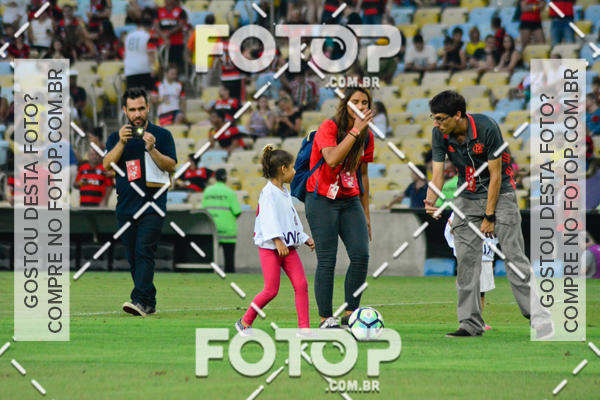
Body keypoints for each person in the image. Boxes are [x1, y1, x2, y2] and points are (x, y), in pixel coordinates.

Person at [424, 90, 552, 338]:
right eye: (434, 118)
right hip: (466, 197)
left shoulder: (486, 128)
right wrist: (431, 200)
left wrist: (489, 217)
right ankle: (470, 324)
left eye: (440, 118)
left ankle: (540, 319)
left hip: (501, 195)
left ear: (458, 115)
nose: (436, 124)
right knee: (466, 261)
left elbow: (495, 176)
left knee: (514, 257)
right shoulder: (439, 134)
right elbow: (437, 174)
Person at [103, 87, 177, 317]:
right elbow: (106, 166)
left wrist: (152, 149)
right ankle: (149, 300)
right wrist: (121, 143)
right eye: (133, 109)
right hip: (125, 205)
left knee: (144, 251)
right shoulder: (116, 137)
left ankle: (140, 301)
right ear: (125, 110)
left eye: (141, 108)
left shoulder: (162, 135)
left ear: (148, 108)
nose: (137, 114)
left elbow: (171, 166)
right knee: (133, 256)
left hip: (152, 206)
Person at [305, 86, 375, 329]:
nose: (361, 106)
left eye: (365, 102)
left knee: (361, 254)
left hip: (350, 199)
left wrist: (366, 214)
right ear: (346, 104)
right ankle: (325, 317)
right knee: (327, 259)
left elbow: (363, 174)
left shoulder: (368, 135)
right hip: (321, 199)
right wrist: (355, 130)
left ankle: (351, 313)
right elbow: (333, 159)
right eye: (355, 101)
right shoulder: (329, 127)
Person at [235, 146, 315, 335]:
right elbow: (268, 219)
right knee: (271, 290)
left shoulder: (284, 192)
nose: (295, 171)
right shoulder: (268, 193)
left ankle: (304, 328)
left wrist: (303, 237)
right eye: (293, 168)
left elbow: (291, 219)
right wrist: (277, 240)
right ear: (283, 169)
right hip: (271, 249)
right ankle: (244, 322)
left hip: (288, 249)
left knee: (301, 285)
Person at [445, 212, 495, 331]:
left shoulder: (490, 210)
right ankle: (468, 321)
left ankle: (478, 321)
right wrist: (455, 228)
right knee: (467, 291)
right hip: (467, 254)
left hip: (484, 257)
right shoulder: (458, 211)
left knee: (481, 293)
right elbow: (450, 231)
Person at [202, 168, 242, 273]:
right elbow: (237, 212)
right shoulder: (230, 192)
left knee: (209, 261)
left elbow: (203, 211)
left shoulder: (207, 191)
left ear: (215, 178)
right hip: (228, 230)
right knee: (229, 262)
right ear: (225, 178)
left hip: (211, 229)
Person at [124, 14, 157, 91]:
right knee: (147, 94)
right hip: (144, 69)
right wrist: (153, 68)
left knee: (133, 95)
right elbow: (151, 54)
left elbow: (125, 53)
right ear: (150, 27)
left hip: (130, 70)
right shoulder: (149, 36)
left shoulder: (129, 36)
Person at [155, 0, 187, 71]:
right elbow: (156, 26)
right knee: (161, 64)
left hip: (176, 43)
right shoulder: (159, 11)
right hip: (162, 43)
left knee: (175, 65)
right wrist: (164, 37)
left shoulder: (181, 11)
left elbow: (181, 25)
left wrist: (169, 33)